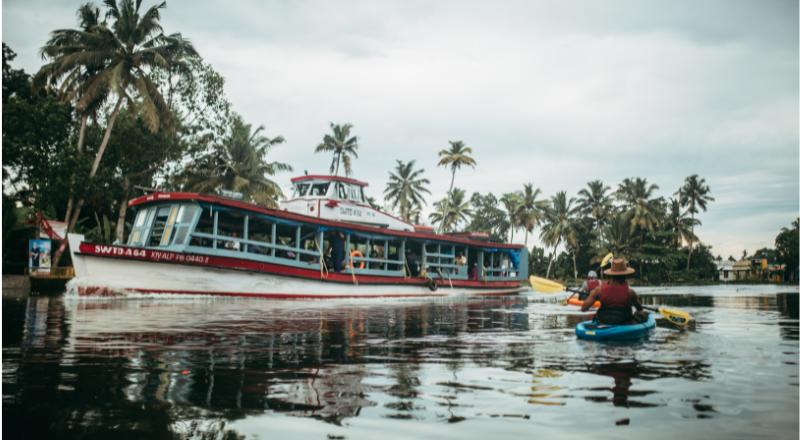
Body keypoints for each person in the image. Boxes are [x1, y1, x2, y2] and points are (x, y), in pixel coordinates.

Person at [581, 259, 648, 325]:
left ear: (611, 275)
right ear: (625, 275)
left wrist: (594, 295)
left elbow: (584, 308)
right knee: (644, 314)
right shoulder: (630, 292)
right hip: (625, 322)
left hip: (605, 321)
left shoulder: (598, 291)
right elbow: (640, 308)